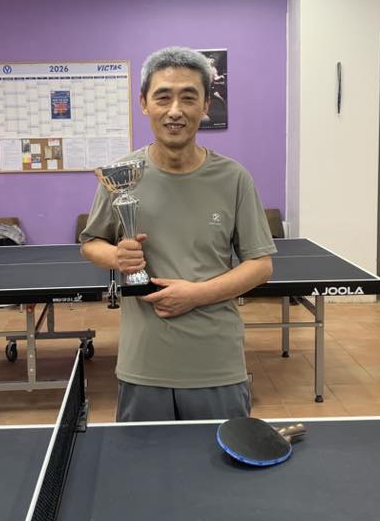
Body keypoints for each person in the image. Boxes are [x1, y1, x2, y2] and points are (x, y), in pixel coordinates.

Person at [79, 46, 277, 422]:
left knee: (221, 461)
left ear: (205, 106)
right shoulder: (119, 174)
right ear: (144, 103)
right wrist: (116, 257)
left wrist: (195, 295)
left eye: (188, 97)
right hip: (143, 365)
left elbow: (261, 265)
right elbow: (91, 244)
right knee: (144, 461)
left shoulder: (234, 178)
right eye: (163, 97)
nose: (175, 111)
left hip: (217, 365)